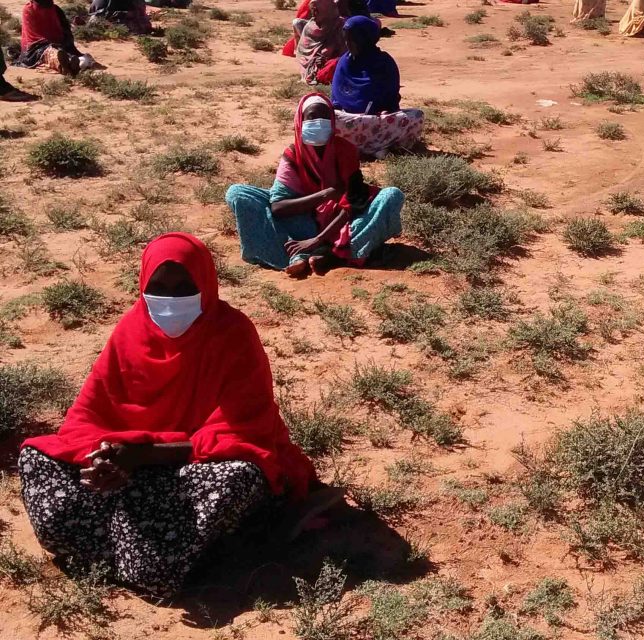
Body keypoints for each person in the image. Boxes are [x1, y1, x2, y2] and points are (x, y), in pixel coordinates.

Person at [19, 233, 321, 597]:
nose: (171, 300)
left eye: (184, 287)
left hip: (193, 466)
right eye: (159, 288)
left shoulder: (233, 334)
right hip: (129, 469)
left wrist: (145, 455)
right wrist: (100, 458)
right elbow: (85, 416)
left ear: (206, 285)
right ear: (143, 284)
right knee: (36, 456)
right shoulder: (130, 331)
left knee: (238, 476)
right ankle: (135, 548)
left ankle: (132, 553)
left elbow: (244, 433)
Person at [226, 93, 405, 278]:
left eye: (324, 117)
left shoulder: (345, 150)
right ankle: (298, 255)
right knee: (237, 193)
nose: (319, 122)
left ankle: (332, 253)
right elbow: (279, 207)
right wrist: (325, 194)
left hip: (343, 221)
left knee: (392, 195)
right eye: (312, 117)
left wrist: (318, 239)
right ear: (301, 120)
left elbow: (352, 202)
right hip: (303, 220)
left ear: (333, 120)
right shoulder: (293, 154)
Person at [332, 16, 424, 158]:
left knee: (416, 116)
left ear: (366, 39)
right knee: (328, 117)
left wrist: (387, 110)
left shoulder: (384, 63)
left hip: (375, 121)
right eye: (346, 39)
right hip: (346, 120)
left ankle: (360, 148)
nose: (348, 44)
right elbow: (336, 98)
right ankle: (378, 148)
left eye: (352, 40)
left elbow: (392, 97)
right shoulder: (345, 61)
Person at [15, 0, 95, 77]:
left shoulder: (56, 10)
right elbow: (33, 36)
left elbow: (66, 31)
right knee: (51, 53)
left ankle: (70, 62)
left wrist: (65, 41)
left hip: (59, 44)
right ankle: (67, 64)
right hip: (36, 47)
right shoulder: (29, 9)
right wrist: (50, 44)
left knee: (61, 51)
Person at [296, 0, 346, 85]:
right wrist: (315, 59)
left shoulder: (340, 25)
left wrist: (328, 55)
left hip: (333, 61)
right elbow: (303, 52)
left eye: (316, 11)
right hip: (313, 63)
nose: (313, 14)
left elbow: (345, 50)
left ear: (327, 11)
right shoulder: (310, 27)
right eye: (312, 10)